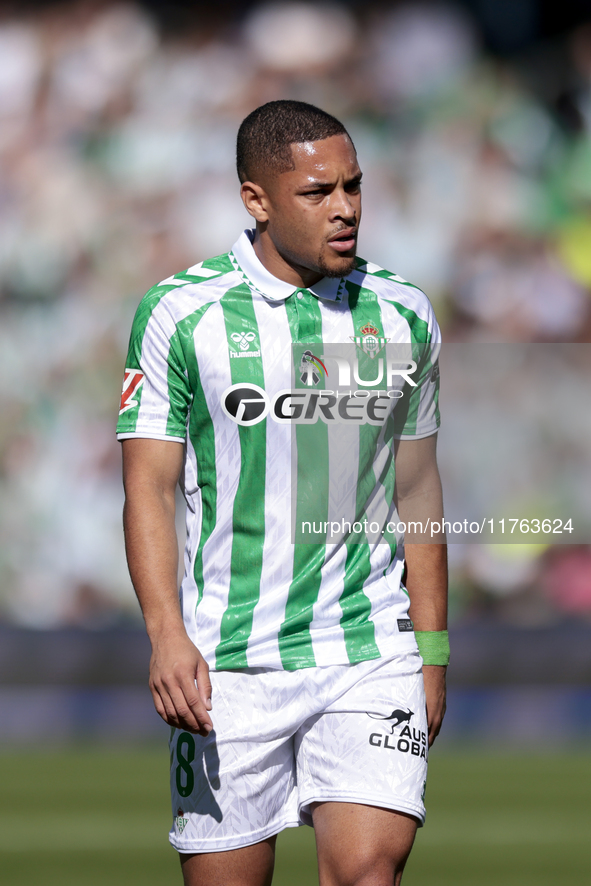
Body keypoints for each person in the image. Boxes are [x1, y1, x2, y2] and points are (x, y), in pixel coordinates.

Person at [117, 100, 448, 886]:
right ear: (256, 200)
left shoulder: (401, 312)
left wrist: (430, 651)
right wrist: (166, 635)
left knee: (368, 871)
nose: (345, 208)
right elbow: (147, 489)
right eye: (317, 191)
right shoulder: (180, 314)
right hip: (227, 664)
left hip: (369, 648)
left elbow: (419, 487)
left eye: (354, 186)